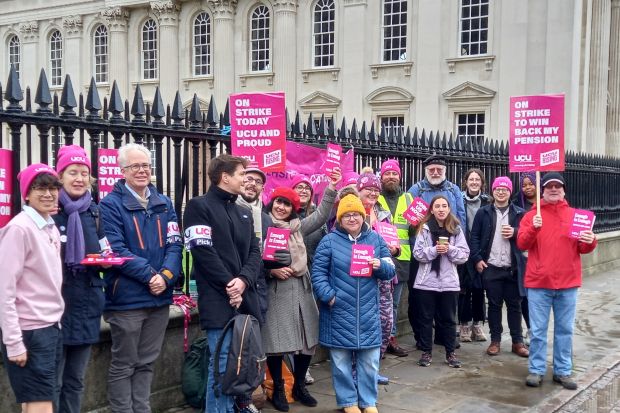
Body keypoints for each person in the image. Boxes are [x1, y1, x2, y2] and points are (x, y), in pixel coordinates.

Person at [99, 143, 183, 413]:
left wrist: (166, 276)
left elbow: (175, 244)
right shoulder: (110, 205)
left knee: (147, 362)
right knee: (124, 364)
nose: (142, 170)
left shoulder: (164, 202)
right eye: (135, 166)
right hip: (127, 299)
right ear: (123, 171)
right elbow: (115, 249)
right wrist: (150, 276)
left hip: (159, 298)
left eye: (146, 165)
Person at [183, 154, 262, 413]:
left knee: (238, 366)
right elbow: (202, 251)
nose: (246, 179)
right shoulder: (198, 206)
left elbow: (254, 252)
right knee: (221, 364)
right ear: (224, 177)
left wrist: (243, 282)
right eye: (241, 174)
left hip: (243, 296)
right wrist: (230, 284)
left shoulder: (244, 211)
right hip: (218, 299)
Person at [262, 169, 340, 413]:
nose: (282, 208)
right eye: (278, 202)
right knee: (277, 342)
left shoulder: (297, 227)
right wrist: (271, 272)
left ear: (292, 208)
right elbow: (252, 258)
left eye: (287, 204)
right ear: (271, 204)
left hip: (302, 287)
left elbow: (320, 215)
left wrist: (331, 187)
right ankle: (278, 388)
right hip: (277, 289)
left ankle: (298, 386)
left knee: (308, 339)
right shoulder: (262, 226)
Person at [312, 194, 396, 413]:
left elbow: (390, 269)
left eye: (356, 214)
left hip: (368, 312)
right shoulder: (329, 241)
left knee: (369, 362)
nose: (352, 219)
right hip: (338, 311)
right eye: (346, 215)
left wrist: (380, 265)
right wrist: (329, 296)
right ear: (339, 219)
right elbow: (318, 274)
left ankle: (368, 402)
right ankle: (348, 402)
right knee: (340, 363)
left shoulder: (376, 239)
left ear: (363, 216)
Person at [517, 172, 597, 390]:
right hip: (539, 283)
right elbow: (522, 244)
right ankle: (536, 369)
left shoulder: (575, 215)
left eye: (557, 186)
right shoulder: (531, 215)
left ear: (563, 190)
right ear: (542, 190)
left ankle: (563, 371)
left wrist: (591, 241)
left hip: (568, 282)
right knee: (538, 331)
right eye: (549, 186)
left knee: (565, 330)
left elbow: (583, 247)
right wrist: (534, 226)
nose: (553, 189)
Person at [0, 163, 64, 413]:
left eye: (52, 188)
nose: (48, 194)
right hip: (30, 330)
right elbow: (5, 289)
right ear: (26, 193)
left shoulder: (48, 224)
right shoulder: (20, 228)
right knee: (40, 403)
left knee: (35, 400)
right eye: (40, 188)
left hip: (49, 326)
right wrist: (14, 342)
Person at [53, 146, 108, 413]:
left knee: (76, 381)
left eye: (84, 173)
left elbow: (106, 249)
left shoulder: (94, 213)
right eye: (72, 172)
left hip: (87, 304)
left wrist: (106, 260)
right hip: (55, 306)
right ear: (60, 176)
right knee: (51, 381)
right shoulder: (49, 211)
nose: (79, 178)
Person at [407, 154, 466, 349]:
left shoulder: (453, 189)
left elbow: (461, 217)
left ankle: (444, 335)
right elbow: (409, 220)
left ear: (444, 171)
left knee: (446, 296)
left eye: (438, 169)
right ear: (426, 171)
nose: (435, 172)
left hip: (449, 252)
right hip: (423, 252)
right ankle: (421, 338)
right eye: (431, 169)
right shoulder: (416, 189)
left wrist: (458, 244)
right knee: (419, 299)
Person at [469, 177, 529, 358]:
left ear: (510, 192)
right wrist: (478, 259)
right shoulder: (483, 212)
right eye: (497, 189)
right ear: (493, 191)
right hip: (491, 266)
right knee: (494, 306)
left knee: (515, 306)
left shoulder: (520, 213)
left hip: (513, 268)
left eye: (504, 189)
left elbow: (527, 237)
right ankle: (495, 341)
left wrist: (516, 232)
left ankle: (517, 341)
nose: (501, 192)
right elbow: (475, 237)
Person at [412, 195, 469, 368]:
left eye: (444, 206)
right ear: (432, 210)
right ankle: (426, 352)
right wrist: (434, 250)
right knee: (426, 319)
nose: (441, 209)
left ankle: (450, 353)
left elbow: (464, 255)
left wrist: (450, 249)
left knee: (449, 320)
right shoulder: (424, 229)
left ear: (449, 209)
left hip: (448, 282)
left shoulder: (456, 229)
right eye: (437, 206)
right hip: (426, 281)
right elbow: (418, 253)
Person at [357, 170, 399, 384]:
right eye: (368, 189)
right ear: (359, 190)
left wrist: (394, 249)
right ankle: (357, 374)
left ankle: (373, 369)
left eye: (376, 190)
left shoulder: (383, 213)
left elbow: (394, 243)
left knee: (385, 324)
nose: (372, 193)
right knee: (362, 328)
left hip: (383, 278)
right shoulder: (352, 211)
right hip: (360, 279)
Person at [377, 159, 413, 357]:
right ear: (381, 177)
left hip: (401, 261)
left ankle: (390, 338)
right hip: (379, 258)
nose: (391, 177)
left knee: (394, 304)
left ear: (399, 177)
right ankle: (379, 340)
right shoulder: (375, 196)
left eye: (394, 174)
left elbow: (414, 229)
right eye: (387, 174)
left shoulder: (408, 198)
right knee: (378, 302)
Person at [457, 168, 491, 343]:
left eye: (477, 179)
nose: (474, 182)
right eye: (471, 179)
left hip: (480, 250)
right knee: (463, 289)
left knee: (478, 289)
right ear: (466, 182)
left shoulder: (487, 202)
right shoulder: (459, 200)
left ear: (482, 183)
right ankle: (464, 324)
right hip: (463, 247)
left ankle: (477, 324)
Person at [512, 171, 537, 344]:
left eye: (531, 183)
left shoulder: (545, 204)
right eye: (524, 185)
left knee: (538, 296)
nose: (527, 188)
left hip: (541, 257)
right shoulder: (516, 204)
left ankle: (537, 328)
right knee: (524, 296)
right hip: (522, 257)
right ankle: (530, 329)